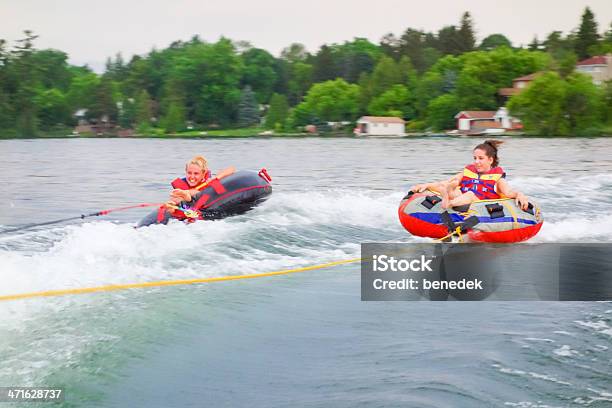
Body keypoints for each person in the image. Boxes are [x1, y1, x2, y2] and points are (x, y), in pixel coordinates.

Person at [410, 140, 529, 210]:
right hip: (460, 198)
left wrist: (520, 194)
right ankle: (447, 195)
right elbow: (447, 182)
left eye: (481, 158)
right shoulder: (468, 171)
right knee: (453, 187)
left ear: (490, 160)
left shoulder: (497, 178)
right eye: (475, 158)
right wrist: (425, 185)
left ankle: (448, 203)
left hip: (480, 204)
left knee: (470, 194)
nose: (476, 161)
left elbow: (508, 192)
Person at [167, 156, 235, 205]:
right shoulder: (181, 186)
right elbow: (176, 199)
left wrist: (216, 178)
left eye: (196, 173)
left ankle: (188, 198)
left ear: (203, 174)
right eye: (189, 173)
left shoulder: (209, 182)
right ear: (186, 172)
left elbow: (232, 169)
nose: (192, 177)